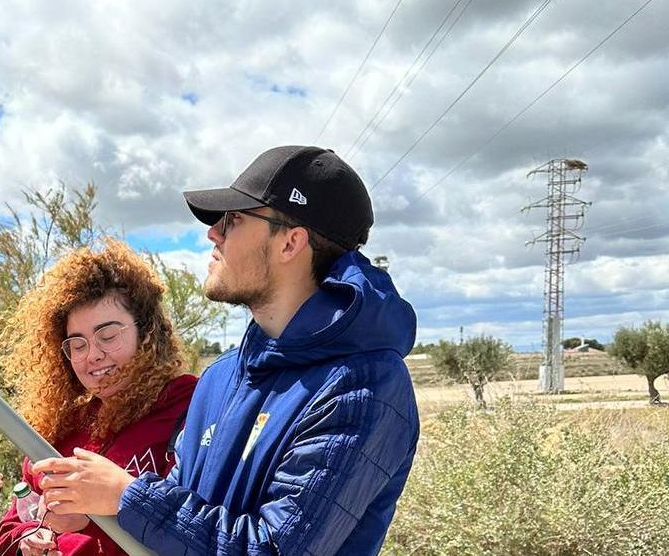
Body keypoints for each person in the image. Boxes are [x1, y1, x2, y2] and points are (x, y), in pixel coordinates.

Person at [33, 146, 420, 556]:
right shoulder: (221, 377)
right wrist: (100, 516)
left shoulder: (363, 389)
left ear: (290, 243)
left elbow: (272, 548)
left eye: (233, 219)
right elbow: (182, 505)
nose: (213, 233)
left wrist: (128, 499)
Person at [0, 239, 198, 556]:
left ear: (146, 332)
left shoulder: (188, 405)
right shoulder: (62, 427)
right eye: (77, 344)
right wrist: (28, 541)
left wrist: (99, 513)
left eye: (108, 335)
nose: (93, 356)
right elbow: (10, 526)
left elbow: (201, 526)